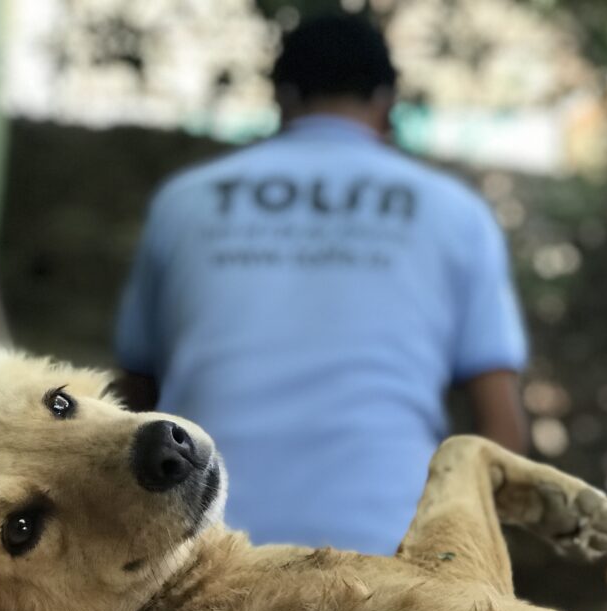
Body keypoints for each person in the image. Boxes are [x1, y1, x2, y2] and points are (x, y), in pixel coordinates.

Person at [115, 13, 528, 555]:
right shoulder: (457, 213)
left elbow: (129, 402)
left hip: (198, 553)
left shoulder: (184, 202)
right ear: (385, 101)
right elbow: (502, 429)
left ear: (282, 97)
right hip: (390, 558)